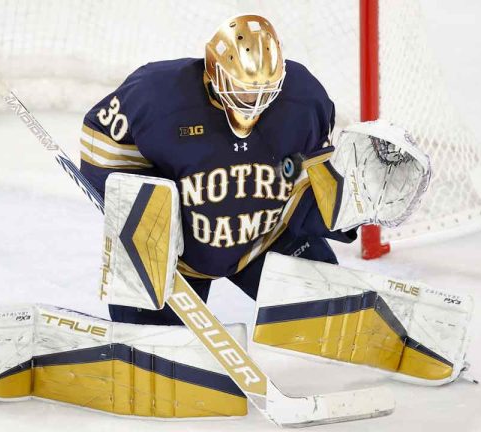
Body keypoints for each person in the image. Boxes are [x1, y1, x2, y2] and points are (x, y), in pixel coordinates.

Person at [79, 14, 356, 325]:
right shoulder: (157, 94)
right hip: (176, 260)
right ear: (214, 71)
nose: (255, 101)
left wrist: (350, 205)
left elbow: (307, 175)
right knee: (150, 352)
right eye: (243, 88)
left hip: (264, 241)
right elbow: (101, 141)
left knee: (336, 309)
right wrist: (140, 213)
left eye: (267, 88)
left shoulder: (304, 99)